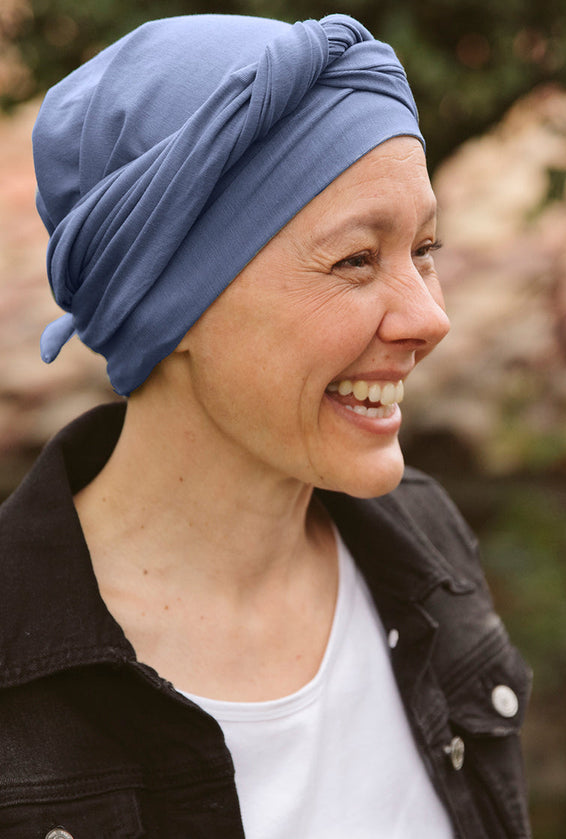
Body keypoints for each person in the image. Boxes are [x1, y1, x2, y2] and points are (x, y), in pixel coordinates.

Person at [0, 13, 531, 839]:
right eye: (357, 259)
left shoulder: (425, 546)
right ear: (167, 304)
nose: (432, 317)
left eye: (425, 248)